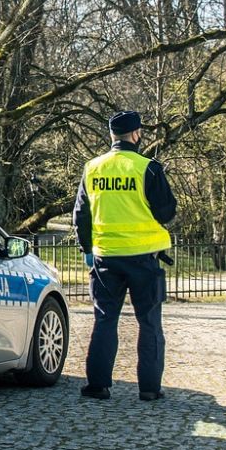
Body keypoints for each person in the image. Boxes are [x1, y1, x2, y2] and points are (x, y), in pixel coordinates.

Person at [72, 110, 177, 401]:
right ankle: (149, 388)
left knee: (105, 319)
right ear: (136, 134)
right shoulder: (148, 168)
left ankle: (97, 385)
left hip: (106, 257)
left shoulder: (93, 168)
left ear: (111, 135)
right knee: (149, 321)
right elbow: (166, 212)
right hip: (144, 257)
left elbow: (81, 215)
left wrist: (87, 250)